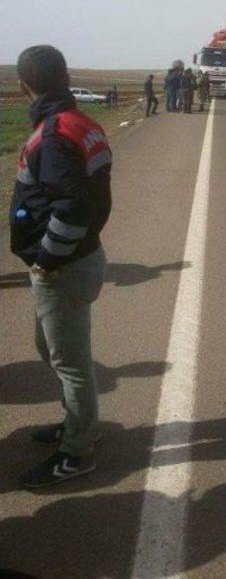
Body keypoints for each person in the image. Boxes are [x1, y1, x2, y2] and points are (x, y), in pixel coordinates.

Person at [10, 45, 112, 487]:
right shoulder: (82, 124)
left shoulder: (53, 135)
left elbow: (73, 208)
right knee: (50, 348)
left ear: (23, 86)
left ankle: (78, 449)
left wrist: (48, 260)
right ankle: (77, 423)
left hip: (64, 266)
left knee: (70, 362)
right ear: (67, 77)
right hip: (80, 257)